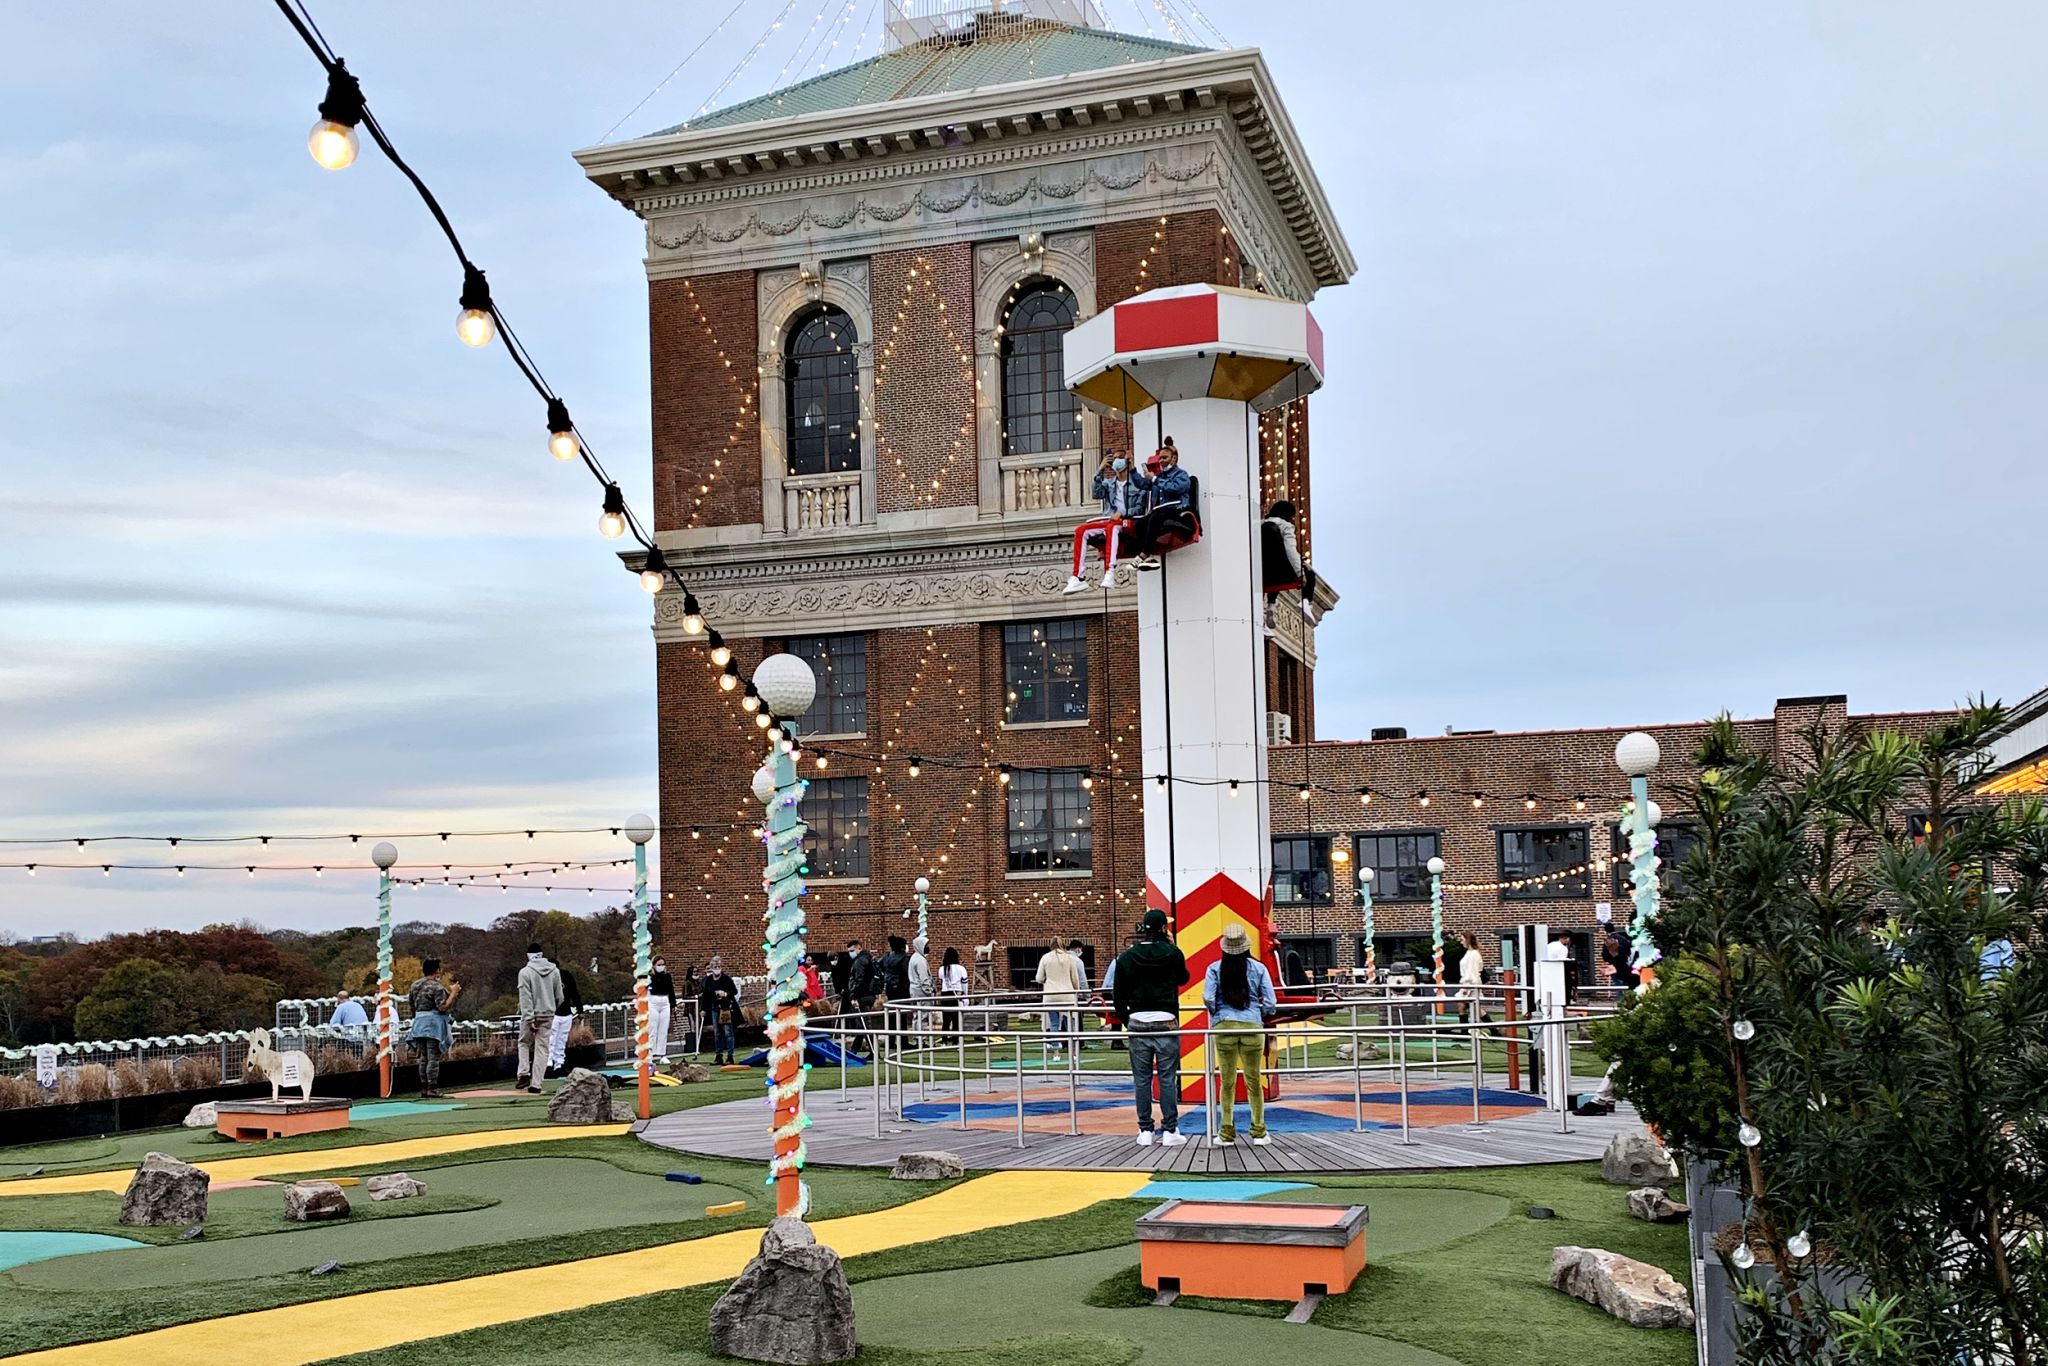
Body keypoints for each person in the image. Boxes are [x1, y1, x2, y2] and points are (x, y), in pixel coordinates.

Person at [1112, 908, 1190, 1147]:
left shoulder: (1126, 957)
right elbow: (1183, 979)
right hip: (1166, 1020)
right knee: (1167, 1078)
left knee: (1142, 1079)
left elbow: (1118, 995)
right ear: (1163, 928)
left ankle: (1145, 1130)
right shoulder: (1173, 953)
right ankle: (1170, 1130)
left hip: (1137, 1021)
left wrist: (1128, 1020)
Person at [1203, 923, 1277, 1147]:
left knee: (1227, 1082)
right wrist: (1259, 1014)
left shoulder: (1214, 969)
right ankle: (1259, 1131)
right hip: (1253, 1027)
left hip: (1224, 1027)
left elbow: (1207, 997)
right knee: (1254, 1080)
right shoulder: (1259, 968)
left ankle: (1226, 1132)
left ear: (1224, 947)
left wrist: (1219, 1014)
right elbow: (1271, 1003)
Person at [1063, 454, 1148, 594]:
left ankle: (1110, 572)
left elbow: (1140, 508)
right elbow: (1096, 493)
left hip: (1129, 522)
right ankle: (1078, 577)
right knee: (1081, 530)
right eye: (1113, 458)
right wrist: (1100, 470)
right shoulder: (1109, 483)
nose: (1116, 460)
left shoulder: (1138, 484)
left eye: (1119, 457)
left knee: (1111, 528)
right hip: (1109, 520)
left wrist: (1123, 512)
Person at [1128, 439, 1194, 565]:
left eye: (1165, 457)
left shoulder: (1181, 475)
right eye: (1160, 458)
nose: (1162, 461)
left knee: (1155, 517)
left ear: (1174, 459)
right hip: (1161, 512)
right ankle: (1148, 555)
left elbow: (1176, 488)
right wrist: (1132, 467)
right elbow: (1142, 484)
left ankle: (1144, 554)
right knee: (1140, 523)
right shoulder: (1158, 476)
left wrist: (1155, 479)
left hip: (1178, 511)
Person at [1259, 499, 1319, 631]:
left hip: (1262, 569)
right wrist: (1300, 573)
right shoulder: (1286, 526)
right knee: (1310, 572)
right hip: (1282, 571)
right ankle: (1306, 602)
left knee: (1273, 578)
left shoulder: (1260, 524)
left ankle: (1271, 607)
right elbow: (1290, 550)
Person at [406, 957, 461, 1097]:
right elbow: (442, 1007)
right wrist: (453, 993)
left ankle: (424, 1088)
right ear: (437, 970)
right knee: (433, 1057)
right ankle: (433, 1088)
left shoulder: (414, 985)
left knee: (423, 1058)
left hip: (418, 1023)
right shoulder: (437, 987)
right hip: (433, 1025)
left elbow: (412, 1006)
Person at [515, 944, 562, 1093]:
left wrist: (529, 1018)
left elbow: (525, 996)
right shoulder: (554, 970)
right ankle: (536, 1083)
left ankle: (523, 1073)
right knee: (542, 1048)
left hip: (531, 1015)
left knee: (523, 1043)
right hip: (548, 1013)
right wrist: (552, 1007)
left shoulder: (525, 972)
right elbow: (559, 995)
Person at [1034, 938, 1085, 1054]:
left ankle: (1056, 1051)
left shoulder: (1045, 958)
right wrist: (1076, 991)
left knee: (1054, 1023)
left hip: (1051, 995)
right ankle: (1073, 1051)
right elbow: (1075, 979)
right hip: (1067, 995)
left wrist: (1047, 979)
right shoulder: (1070, 958)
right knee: (1069, 1022)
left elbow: (1039, 978)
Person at [547, 953, 584, 1077]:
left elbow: (574, 992)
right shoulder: (545, 979)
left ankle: (559, 1064)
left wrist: (580, 1010)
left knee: (561, 1040)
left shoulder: (566, 976)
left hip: (565, 1013)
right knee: (551, 1040)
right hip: (552, 1014)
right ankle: (549, 1065)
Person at [700, 956, 741, 1064]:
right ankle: (718, 1055)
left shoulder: (726, 979)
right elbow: (706, 996)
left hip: (726, 1008)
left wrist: (726, 994)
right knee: (717, 1032)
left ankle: (730, 1056)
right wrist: (703, 1009)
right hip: (714, 1008)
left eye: (718, 966)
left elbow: (734, 991)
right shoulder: (708, 981)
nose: (717, 968)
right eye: (714, 966)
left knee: (728, 1032)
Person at [842, 939, 876, 1054]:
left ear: (859, 948)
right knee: (861, 1024)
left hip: (862, 995)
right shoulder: (868, 959)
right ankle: (855, 1049)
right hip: (868, 993)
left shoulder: (860, 961)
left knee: (864, 1024)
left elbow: (859, 980)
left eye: (852, 950)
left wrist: (853, 996)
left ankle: (872, 1051)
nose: (850, 953)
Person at [648, 955, 678, 1062]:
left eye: (662, 964)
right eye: (658, 965)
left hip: (665, 1002)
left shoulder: (667, 976)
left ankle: (662, 1054)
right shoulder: (650, 976)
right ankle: (650, 1053)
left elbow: (671, 990)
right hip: (653, 1002)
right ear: (654, 965)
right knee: (653, 1029)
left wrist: (673, 1005)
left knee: (663, 1029)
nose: (661, 967)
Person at [329, 988, 370, 1059]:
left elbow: (333, 1024)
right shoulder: (358, 1005)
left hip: (348, 1038)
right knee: (359, 1059)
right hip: (361, 1037)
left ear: (339, 999)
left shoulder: (341, 1007)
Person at [937, 946, 968, 1036]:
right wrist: (965, 995)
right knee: (956, 1019)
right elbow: (964, 984)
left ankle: (944, 1040)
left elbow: (941, 982)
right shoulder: (961, 969)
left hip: (945, 994)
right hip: (957, 994)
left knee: (946, 1019)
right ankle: (956, 1040)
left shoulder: (941, 969)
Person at [1458, 931, 1487, 1023]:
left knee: (1467, 1006)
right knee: (1472, 1007)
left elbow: (1472, 971)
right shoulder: (1469, 953)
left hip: (1470, 983)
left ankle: (1465, 1031)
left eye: (1462, 940)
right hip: (1468, 982)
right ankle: (1494, 1029)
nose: (1461, 942)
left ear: (1467, 940)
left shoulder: (1474, 954)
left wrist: (1467, 986)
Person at [1600, 927, 1638, 991]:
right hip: (1625, 966)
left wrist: (1614, 961)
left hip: (1617, 965)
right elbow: (1628, 951)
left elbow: (1605, 956)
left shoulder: (1608, 941)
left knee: (1620, 988)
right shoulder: (1623, 939)